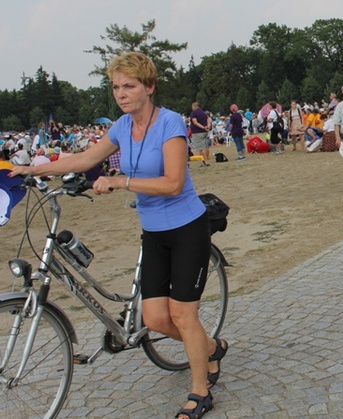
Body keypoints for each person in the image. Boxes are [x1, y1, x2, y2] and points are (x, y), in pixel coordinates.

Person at [11, 51, 228, 419]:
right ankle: (210, 347)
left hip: (187, 228)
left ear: (150, 87)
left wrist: (120, 181)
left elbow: (174, 182)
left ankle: (200, 390)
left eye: (129, 86)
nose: (121, 93)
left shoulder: (170, 123)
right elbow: (84, 159)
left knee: (182, 314)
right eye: (115, 87)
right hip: (154, 232)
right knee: (156, 319)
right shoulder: (121, 127)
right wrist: (33, 169)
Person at [190, 101, 212, 166]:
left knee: (202, 147)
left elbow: (195, 122)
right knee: (205, 146)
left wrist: (203, 127)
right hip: (205, 132)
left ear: (194, 106)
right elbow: (208, 121)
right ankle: (205, 160)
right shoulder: (203, 113)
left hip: (198, 132)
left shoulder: (194, 113)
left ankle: (206, 161)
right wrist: (208, 127)